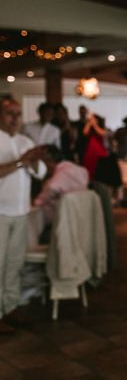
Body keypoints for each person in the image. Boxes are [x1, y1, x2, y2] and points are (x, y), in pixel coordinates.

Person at [0, 97, 46, 334]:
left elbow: (39, 173)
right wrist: (21, 161)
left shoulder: (24, 140)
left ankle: (10, 307)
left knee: (15, 264)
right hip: (0, 213)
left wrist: (35, 161)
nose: (16, 119)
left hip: (20, 212)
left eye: (18, 114)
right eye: (10, 113)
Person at [34, 145, 89, 233]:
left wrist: (37, 202)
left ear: (48, 161)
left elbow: (52, 188)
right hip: (82, 217)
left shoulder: (61, 174)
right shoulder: (80, 170)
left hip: (61, 222)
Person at [82, 112, 108, 180]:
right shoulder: (90, 129)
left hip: (99, 152)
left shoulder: (102, 128)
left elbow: (102, 133)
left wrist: (95, 125)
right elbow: (85, 132)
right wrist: (89, 123)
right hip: (90, 152)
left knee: (99, 169)